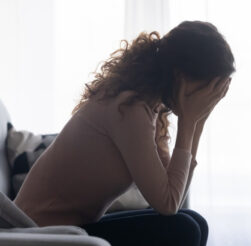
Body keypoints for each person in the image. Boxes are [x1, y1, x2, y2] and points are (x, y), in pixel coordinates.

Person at [14, 20, 235, 246]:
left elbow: (173, 194)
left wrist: (198, 120)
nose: (206, 99)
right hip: (41, 234)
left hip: (74, 227)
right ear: (181, 76)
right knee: (184, 228)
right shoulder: (129, 108)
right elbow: (167, 203)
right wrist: (190, 121)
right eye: (205, 89)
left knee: (194, 221)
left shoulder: (150, 106)